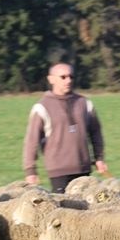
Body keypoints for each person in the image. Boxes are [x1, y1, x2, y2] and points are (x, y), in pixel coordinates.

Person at [23, 62, 109, 193]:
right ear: (51, 79)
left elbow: (96, 133)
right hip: (58, 171)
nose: (68, 80)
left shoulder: (85, 103)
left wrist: (99, 158)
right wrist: (31, 171)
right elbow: (31, 141)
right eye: (63, 77)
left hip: (83, 168)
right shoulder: (41, 107)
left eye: (71, 77)